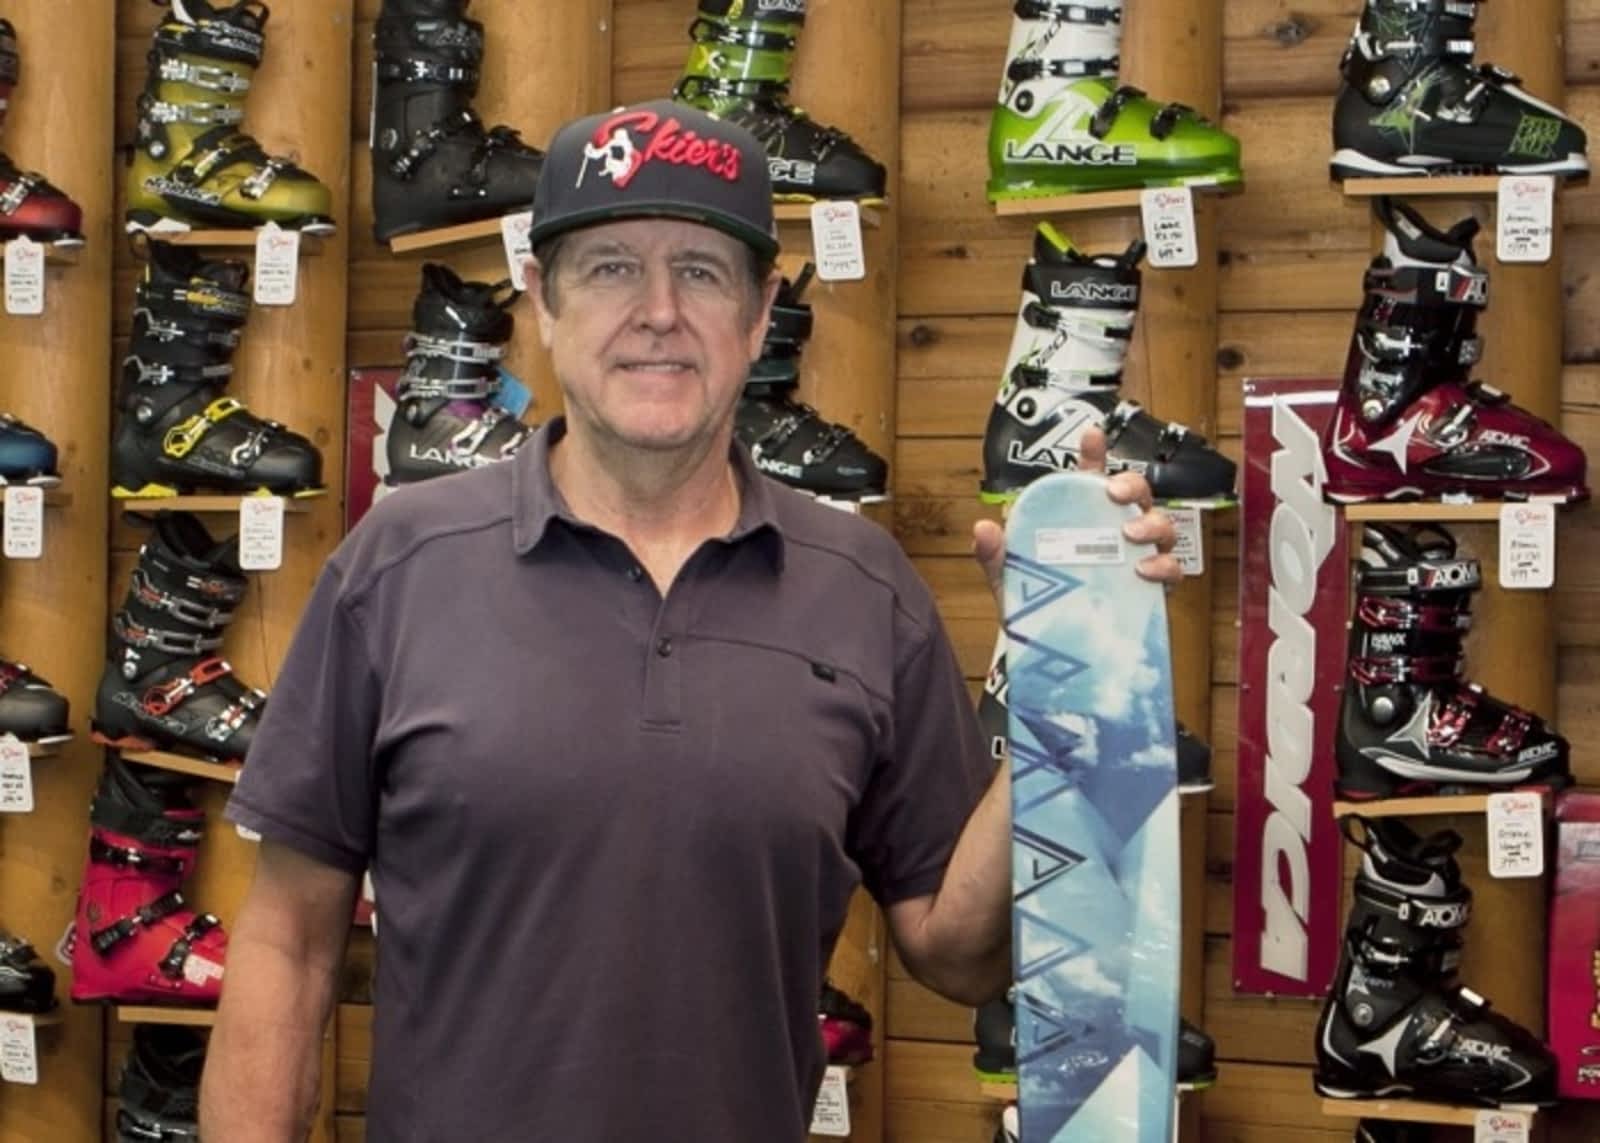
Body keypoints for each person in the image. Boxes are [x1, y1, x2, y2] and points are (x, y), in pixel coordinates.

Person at [198, 99, 1180, 1142]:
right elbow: (288, 944)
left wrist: (1064, 678)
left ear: (760, 315)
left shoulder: (864, 589)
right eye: (610, 267)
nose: (658, 311)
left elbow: (957, 953)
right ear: (542, 300)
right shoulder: (398, 567)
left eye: (702, 272)